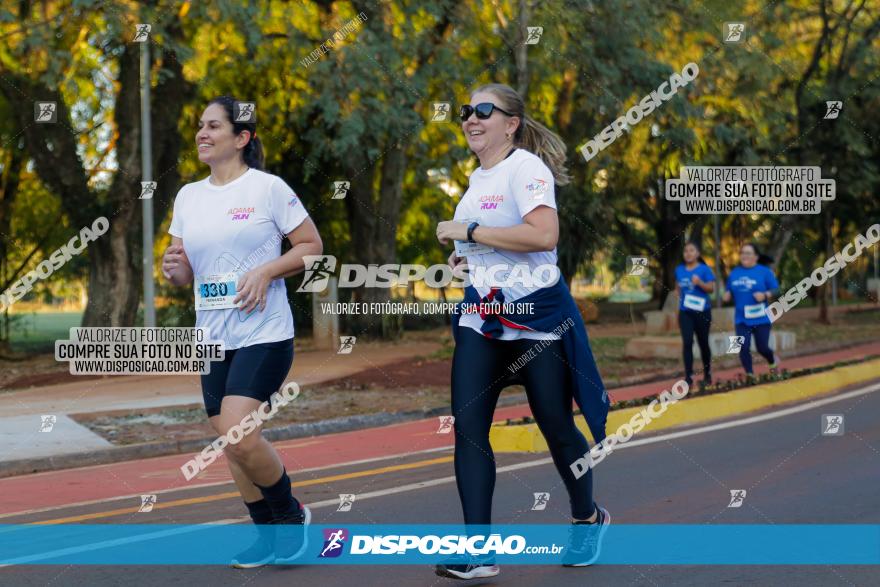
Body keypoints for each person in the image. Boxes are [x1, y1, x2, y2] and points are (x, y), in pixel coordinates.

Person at [434, 84, 611, 580]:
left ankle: (586, 518)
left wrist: (468, 233)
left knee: (555, 426)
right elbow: (494, 239)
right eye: (467, 111)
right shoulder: (476, 178)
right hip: (483, 320)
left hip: (534, 320)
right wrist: (466, 255)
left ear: (510, 123)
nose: (471, 118)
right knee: (469, 430)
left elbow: (543, 235)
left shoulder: (526, 169)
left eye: (484, 111)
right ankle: (479, 550)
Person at [162, 95, 323, 568]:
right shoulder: (188, 196)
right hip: (211, 337)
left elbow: (311, 246)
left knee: (237, 431)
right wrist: (174, 269)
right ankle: (266, 534)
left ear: (242, 137)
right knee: (229, 442)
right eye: (199, 125)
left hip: (264, 332)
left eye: (213, 126)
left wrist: (268, 271)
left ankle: (291, 515)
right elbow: (182, 272)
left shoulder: (268, 189)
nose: (202, 133)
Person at [722, 243, 780, 377]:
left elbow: (777, 290)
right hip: (740, 319)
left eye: (748, 253)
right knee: (742, 347)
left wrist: (765, 295)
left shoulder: (765, 271)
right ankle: (750, 375)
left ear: (756, 257)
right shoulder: (734, 273)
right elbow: (728, 290)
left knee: (762, 348)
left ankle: (772, 362)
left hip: (762, 318)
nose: (744, 256)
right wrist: (726, 295)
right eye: (742, 253)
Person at [674, 241, 715, 388]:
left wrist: (700, 283)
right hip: (686, 312)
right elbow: (677, 288)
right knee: (687, 342)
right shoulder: (679, 270)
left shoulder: (704, 269)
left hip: (702, 312)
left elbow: (711, 289)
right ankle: (688, 377)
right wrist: (677, 297)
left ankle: (707, 374)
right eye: (686, 251)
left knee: (703, 344)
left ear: (697, 254)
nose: (688, 253)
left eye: (692, 251)